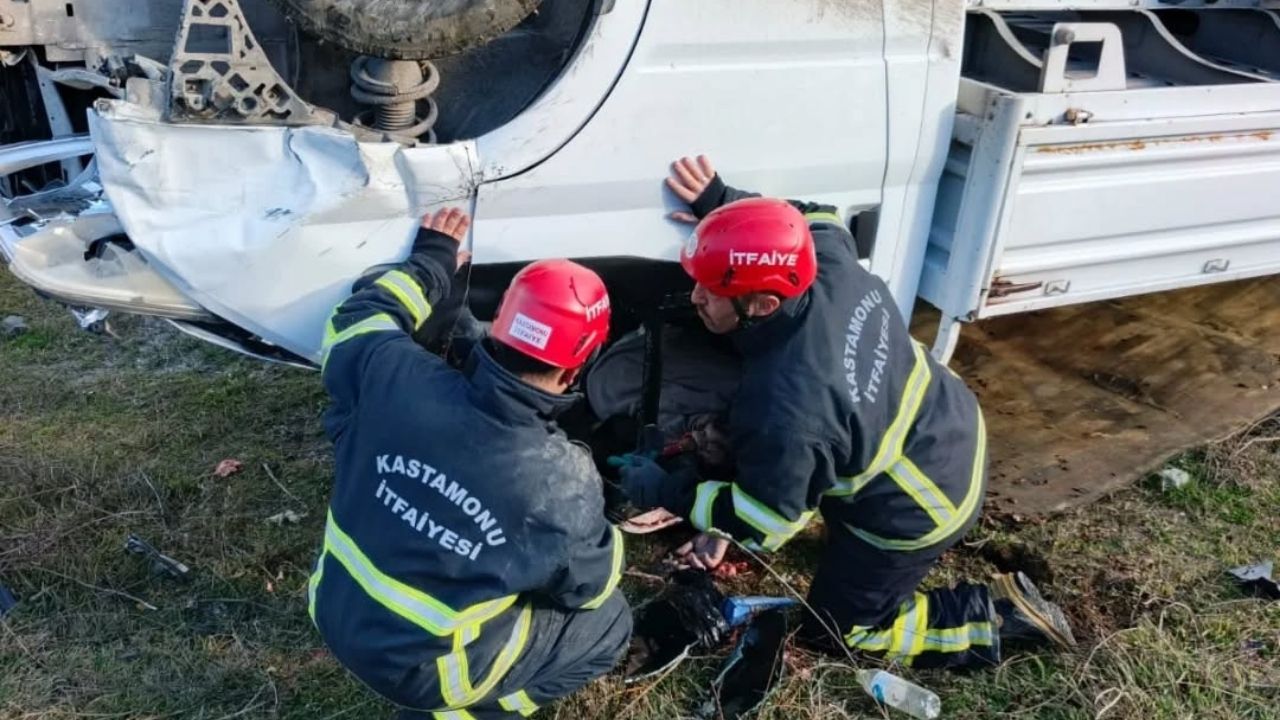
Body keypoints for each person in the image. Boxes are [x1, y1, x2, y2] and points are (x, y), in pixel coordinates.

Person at [615, 157, 1074, 668]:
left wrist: (669, 490)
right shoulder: (825, 262)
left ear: (764, 305)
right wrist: (725, 205)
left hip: (921, 505)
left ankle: (995, 618)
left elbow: (764, 523)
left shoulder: (788, 408)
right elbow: (818, 216)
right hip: (951, 422)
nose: (696, 296)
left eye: (714, 290)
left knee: (838, 632)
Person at [309, 208, 631, 719]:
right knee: (610, 625)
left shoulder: (395, 375)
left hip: (334, 607)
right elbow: (590, 588)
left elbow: (360, 317)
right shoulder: (559, 482)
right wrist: (609, 517)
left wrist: (432, 260)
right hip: (423, 673)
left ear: (500, 323)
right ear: (579, 363)